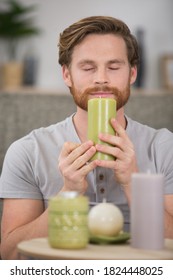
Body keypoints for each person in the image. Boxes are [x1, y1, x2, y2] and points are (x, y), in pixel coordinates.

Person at [0, 16, 173, 259]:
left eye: (114, 67)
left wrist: (133, 182)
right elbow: (8, 257)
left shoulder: (165, 148)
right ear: (67, 75)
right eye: (88, 67)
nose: (101, 78)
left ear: (132, 73)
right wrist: (68, 192)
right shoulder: (27, 151)